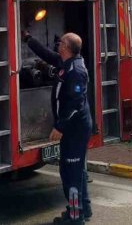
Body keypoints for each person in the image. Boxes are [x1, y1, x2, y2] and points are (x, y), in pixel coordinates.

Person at [23, 31, 92, 224]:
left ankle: (74, 217)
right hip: (74, 128)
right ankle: (83, 208)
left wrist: (60, 127)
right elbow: (47, 55)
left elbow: (76, 104)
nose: (57, 44)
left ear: (67, 48)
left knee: (70, 172)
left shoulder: (75, 71)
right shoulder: (67, 62)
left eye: (61, 42)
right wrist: (29, 39)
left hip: (74, 129)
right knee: (77, 170)